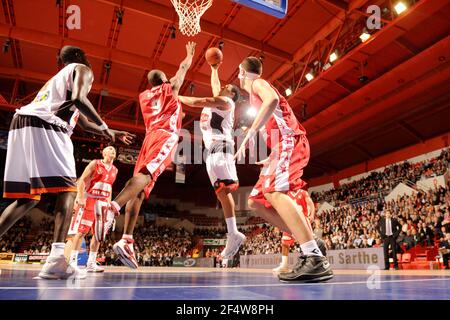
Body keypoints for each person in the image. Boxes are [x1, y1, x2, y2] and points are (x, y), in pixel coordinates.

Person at [0, 46, 134, 279]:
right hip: (46, 126)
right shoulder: (82, 69)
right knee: (68, 190)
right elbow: (79, 100)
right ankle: (56, 260)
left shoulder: (59, 82)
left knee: (28, 198)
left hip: (22, 123)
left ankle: (56, 260)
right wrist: (104, 126)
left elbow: (82, 122)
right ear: (82, 57)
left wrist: (110, 132)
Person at [235, 56, 333, 282]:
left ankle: (314, 258)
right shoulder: (254, 94)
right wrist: (270, 156)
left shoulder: (258, 84)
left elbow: (271, 101)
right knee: (255, 202)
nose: (238, 76)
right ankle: (308, 242)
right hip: (281, 146)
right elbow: (277, 123)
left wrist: (250, 133)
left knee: (274, 192)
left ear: (243, 72)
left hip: (290, 141)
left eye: (239, 72)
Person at [102, 42, 196, 269]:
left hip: (149, 137)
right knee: (146, 176)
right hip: (165, 135)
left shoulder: (144, 96)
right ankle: (111, 209)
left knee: (141, 190)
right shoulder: (170, 87)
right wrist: (189, 55)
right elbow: (182, 69)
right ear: (164, 79)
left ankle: (126, 240)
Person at [178, 63, 245, 259]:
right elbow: (215, 88)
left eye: (227, 87)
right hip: (213, 150)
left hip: (221, 147)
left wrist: (176, 97)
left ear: (231, 94)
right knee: (221, 193)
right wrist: (214, 68)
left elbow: (202, 99)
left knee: (225, 191)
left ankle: (233, 233)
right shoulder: (220, 100)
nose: (223, 86)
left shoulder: (227, 102)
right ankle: (233, 233)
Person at [65, 146, 118, 273]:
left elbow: (109, 187)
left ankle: (91, 263)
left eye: (114, 150)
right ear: (104, 152)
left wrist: (110, 204)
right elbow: (82, 179)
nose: (113, 150)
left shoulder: (115, 170)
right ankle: (72, 261)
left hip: (103, 203)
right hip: (90, 200)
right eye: (110, 149)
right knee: (81, 232)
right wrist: (80, 197)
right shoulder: (95, 163)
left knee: (98, 235)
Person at [272, 189, 327, 274]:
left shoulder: (303, 192)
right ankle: (284, 265)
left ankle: (318, 261)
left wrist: (312, 215)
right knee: (285, 243)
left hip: (302, 220)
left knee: (310, 241)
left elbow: (310, 204)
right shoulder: (287, 194)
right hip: (289, 221)